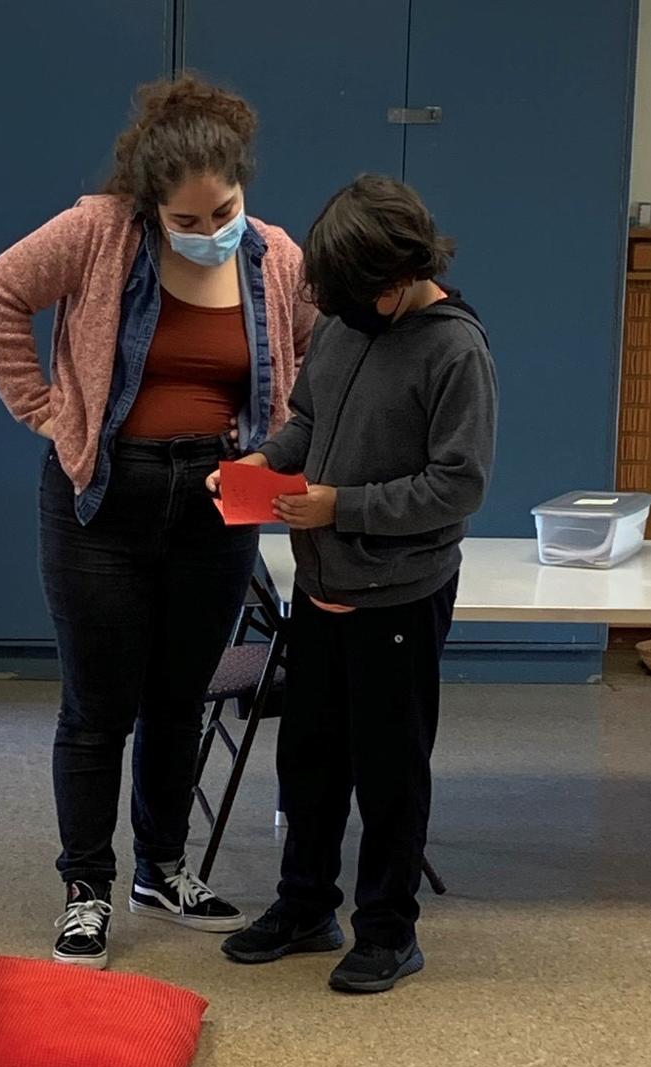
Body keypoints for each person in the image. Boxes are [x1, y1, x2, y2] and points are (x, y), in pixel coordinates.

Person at [0, 77, 315, 969]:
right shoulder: (96, 231)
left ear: (244, 189)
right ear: (151, 203)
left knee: (181, 697)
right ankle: (86, 889)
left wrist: (282, 440)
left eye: (224, 211)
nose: (210, 232)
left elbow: (318, 345)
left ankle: (162, 868)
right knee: (98, 706)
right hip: (102, 499)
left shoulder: (274, 256)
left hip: (218, 501)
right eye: (190, 220)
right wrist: (41, 408)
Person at [211, 175, 497, 993]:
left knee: (390, 770)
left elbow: (458, 485)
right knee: (309, 761)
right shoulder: (344, 323)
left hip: (399, 595)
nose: (344, 310)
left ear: (401, 276)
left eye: (361, 294)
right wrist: (266, 461)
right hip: (322, 586)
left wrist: (344, 506)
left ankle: (388, 930)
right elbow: (307, 419)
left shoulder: (455, 350)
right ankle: (306, 907)